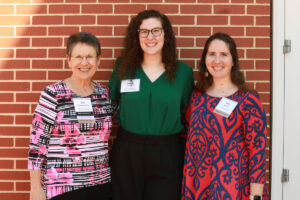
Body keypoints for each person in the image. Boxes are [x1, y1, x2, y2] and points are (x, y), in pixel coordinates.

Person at [108, 9, 194, 200]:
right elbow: (109, 105)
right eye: (144, 31)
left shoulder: (183, 73)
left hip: (168, 151)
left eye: (156, 31)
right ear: (136, 36)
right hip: (128, 151)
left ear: (166, 35)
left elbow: (189, 113)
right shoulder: (123, 67)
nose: (150, 37)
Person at [181, 32, 267, 200]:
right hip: (198, 185)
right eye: (212, 54)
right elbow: (187, 137)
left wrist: (256, 195)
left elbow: (257, 151)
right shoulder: (196, 98)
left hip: (233, 188)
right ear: (205, 60)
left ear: (233, 60)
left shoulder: (247, 100)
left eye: (224, 55)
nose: (217, 61)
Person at [28, 32, 113, 200]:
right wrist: (35, 188)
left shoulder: (104, 94)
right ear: (69, 60)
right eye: (78, 57)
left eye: (90, 57)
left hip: (100, 184)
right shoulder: (53, 94)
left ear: (98, 61)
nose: (84, 63)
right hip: (62, 187)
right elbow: (37, 145)